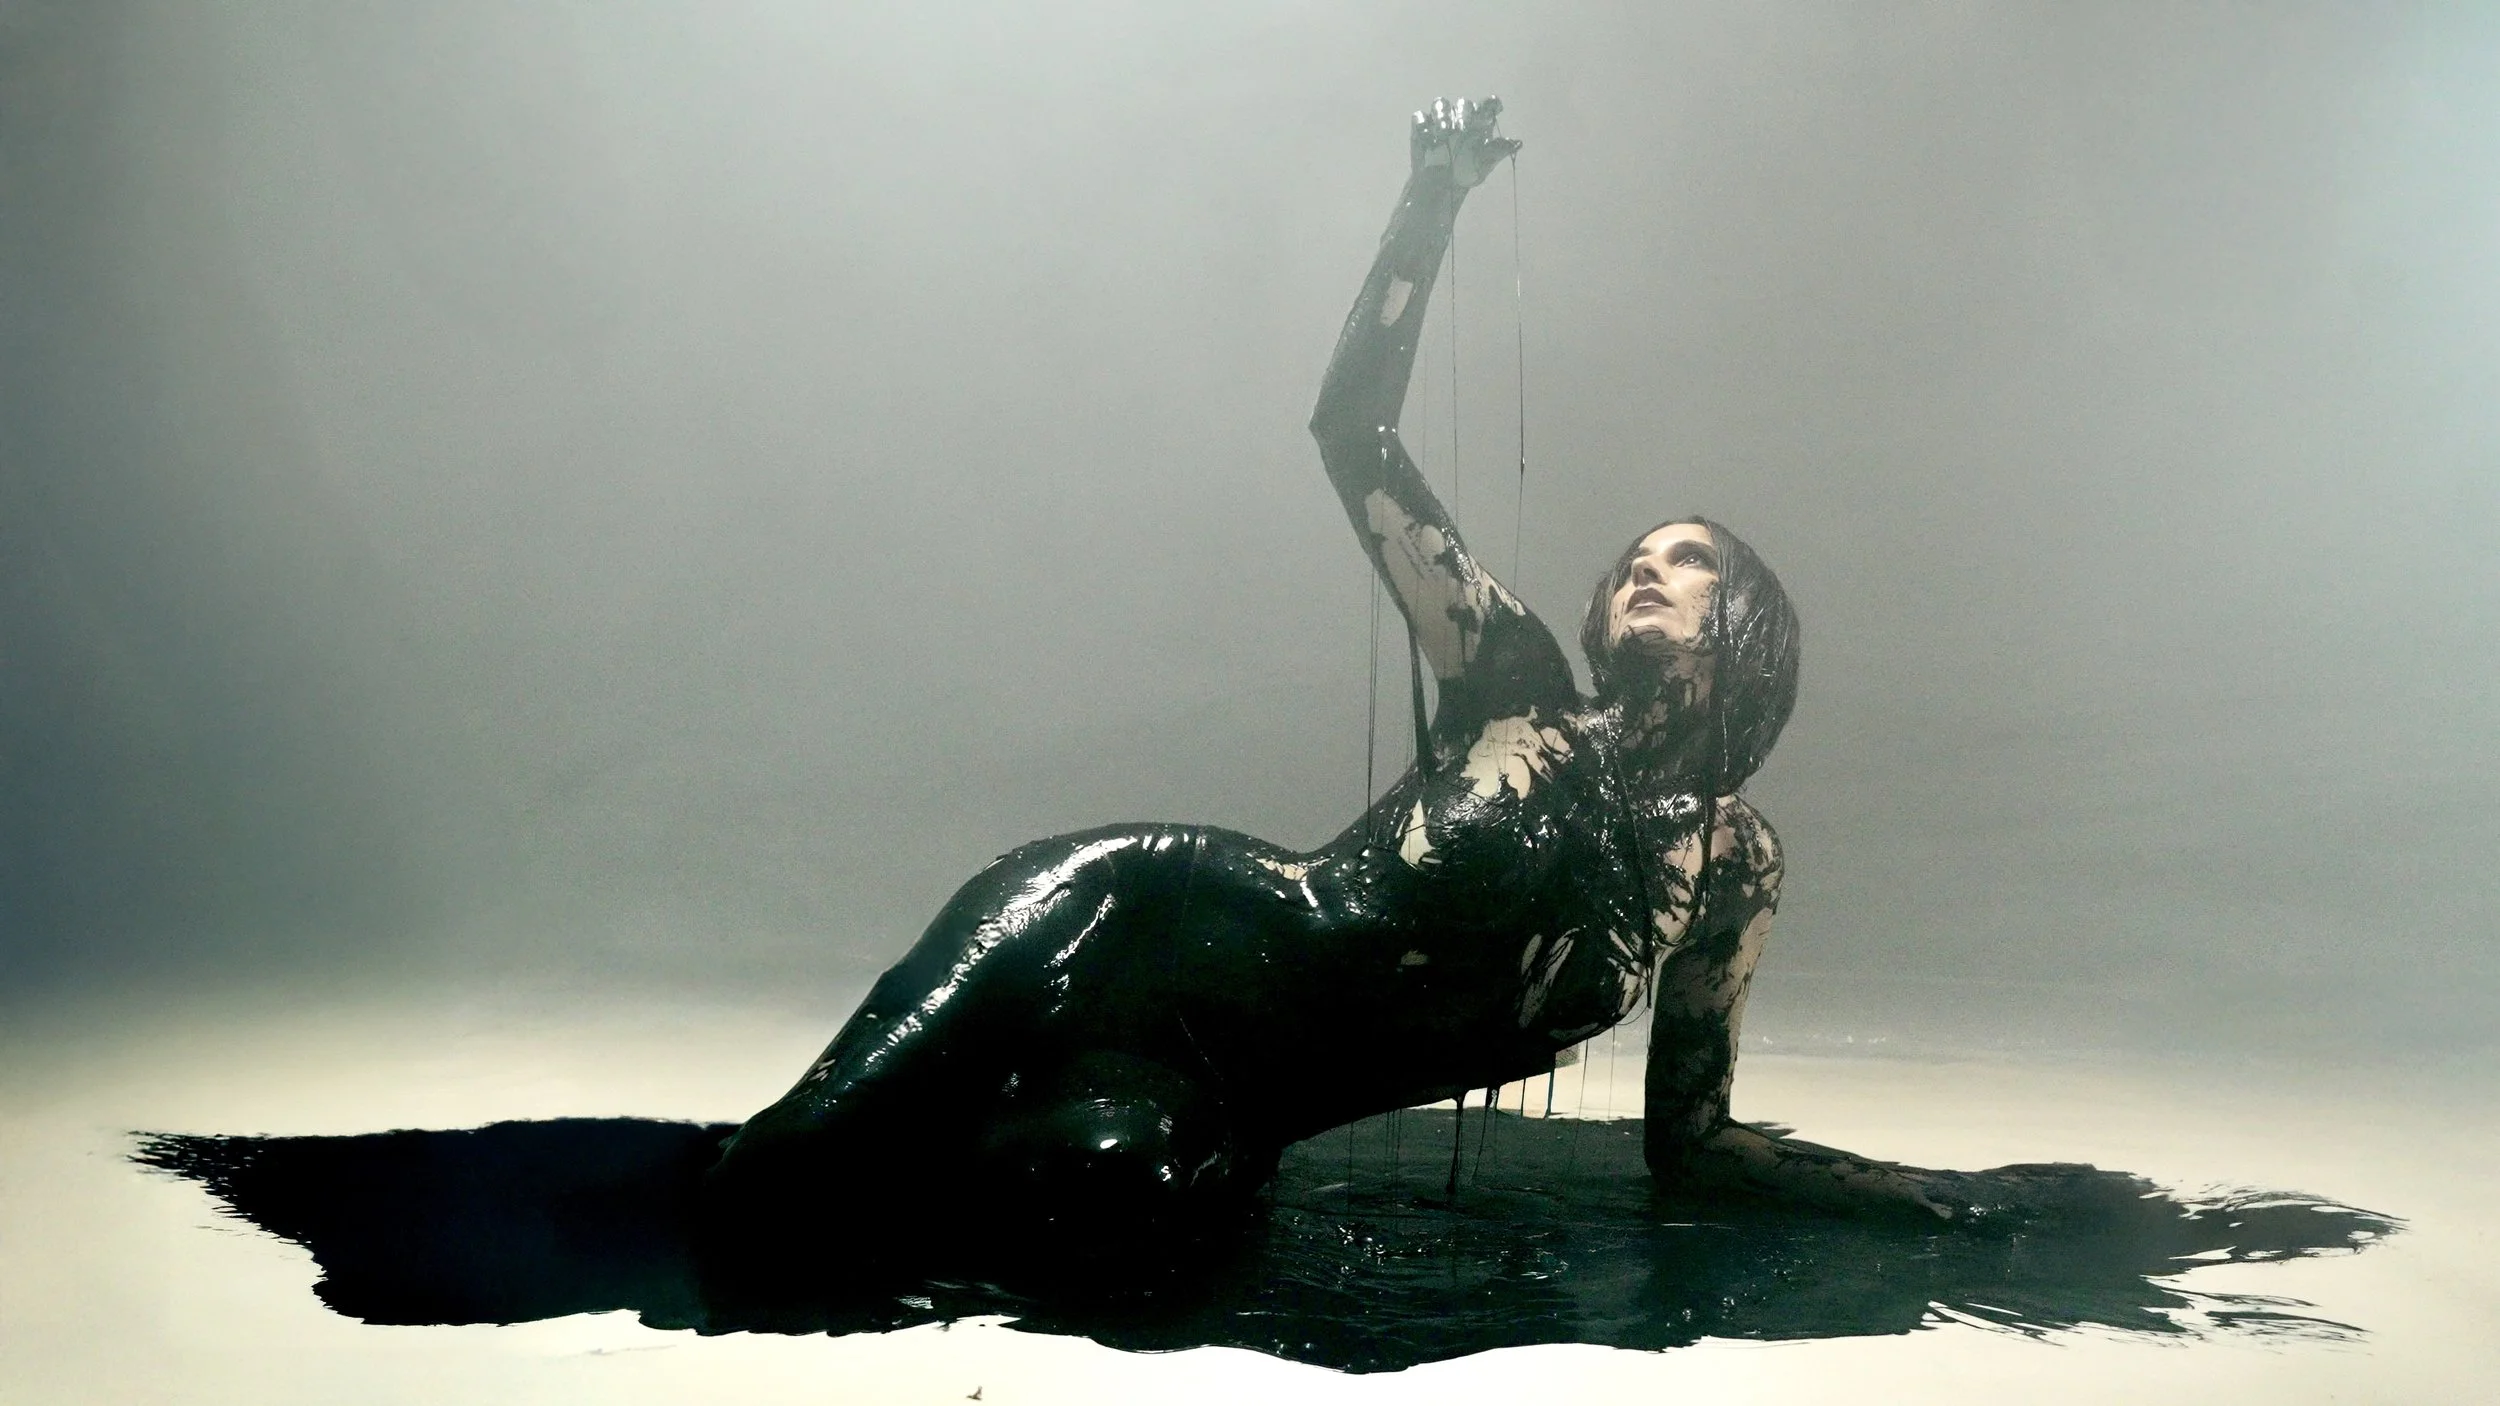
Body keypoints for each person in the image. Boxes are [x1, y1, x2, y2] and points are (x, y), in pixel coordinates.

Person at [706, 98, 1949, 1270]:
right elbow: (1352, 432)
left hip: (1232, 1098)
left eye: (1689, 561)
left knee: (1105, 1207)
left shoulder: (1731, 863)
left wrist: (1900, 1192)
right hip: (1135, 914)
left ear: (1747, 626)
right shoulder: (1513, 678)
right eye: (1637, 553)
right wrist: (1431, 201)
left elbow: (1692, 1140)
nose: (1644, 567)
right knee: (788, 1167)